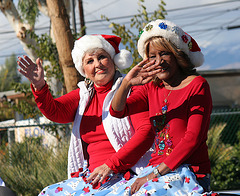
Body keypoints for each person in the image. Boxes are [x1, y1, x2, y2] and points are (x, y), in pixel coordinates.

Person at [17, 34, 155, 195]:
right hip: (93, 178)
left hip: (129, 173)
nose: (97, 64)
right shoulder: (83, 95)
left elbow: (146, 132)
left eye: (102, 57)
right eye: (90, 61)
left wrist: (110, 165)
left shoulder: (131, 88)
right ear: (84, 70)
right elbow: (55, 111)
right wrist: (40, 86)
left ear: (114, 61)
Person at [109, 19, 212, 195]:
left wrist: (153, 175)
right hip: (155, 172)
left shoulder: (197, 85)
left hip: (190, 172)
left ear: (177, 54)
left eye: (164, 54)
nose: (159, 62)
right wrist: (127, 83)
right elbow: (117, 111)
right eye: (152, 56)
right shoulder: (151, 88)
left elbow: (192, 139)